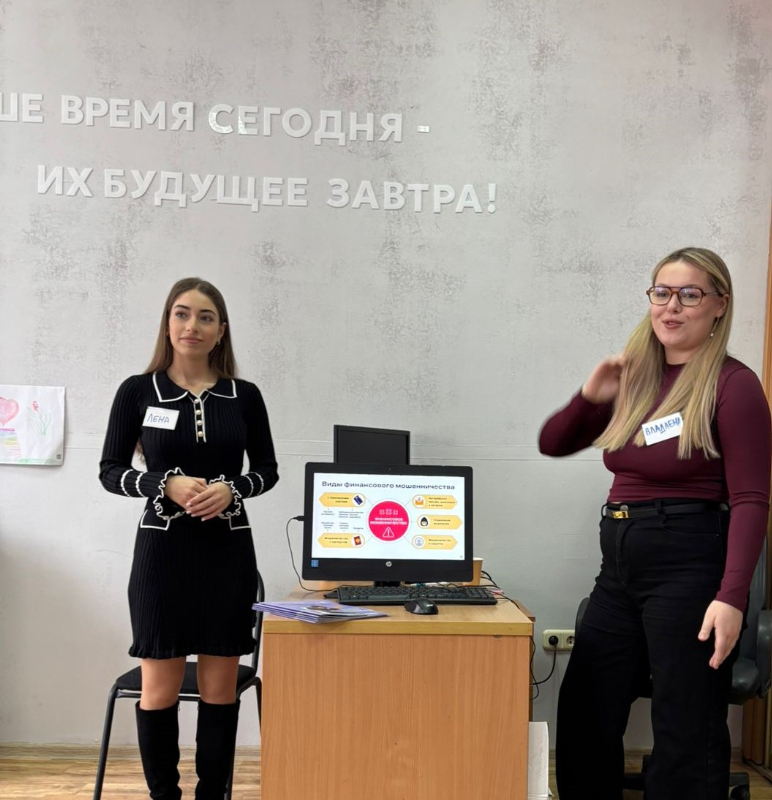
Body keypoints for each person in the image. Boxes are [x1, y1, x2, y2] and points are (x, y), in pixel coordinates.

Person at [538, 247, 771, 799]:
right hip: (618, 566)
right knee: (586, 709)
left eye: (690, 294)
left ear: (719, 305)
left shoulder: (732, 385)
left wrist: (732, 598)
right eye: (662, 292)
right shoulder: (636, 378)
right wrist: (590, 397)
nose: (672, 306)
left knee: (685, 723)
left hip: (688, 563)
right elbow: (554, 443)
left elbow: (752, 499)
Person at [99, 278, 278, 800]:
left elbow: (267, 471)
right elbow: (110, 471)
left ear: (221, 330)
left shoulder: (245, 396)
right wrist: (164, 483)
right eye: (181, 314)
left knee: (220, 691)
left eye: (204, 317)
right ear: (167, 323)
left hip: (228, 555)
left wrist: (233, 489)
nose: (191, 326)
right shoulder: (138, 391)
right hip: (161, 557)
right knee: (159, 691)